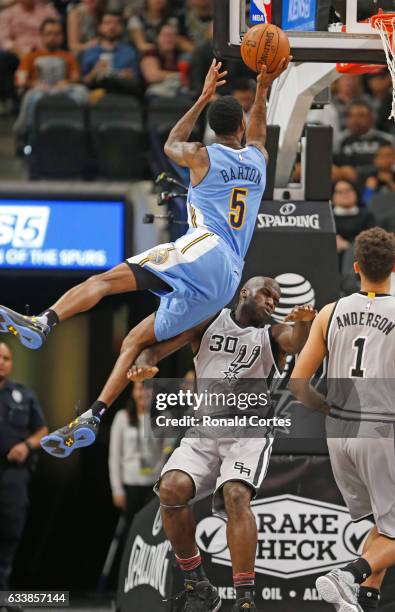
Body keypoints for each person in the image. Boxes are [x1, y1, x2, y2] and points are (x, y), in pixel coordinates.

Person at [1, 57, 291, 458]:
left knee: (102, 282)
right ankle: (93, 415)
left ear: (212, 128)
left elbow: (170, 143)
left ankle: (44, 321)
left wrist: (202, 96)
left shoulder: (202, 155)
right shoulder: (258, 160)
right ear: (240, 128)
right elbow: (259, 130)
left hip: (204, 248)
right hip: (226, 281)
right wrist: (263, 88)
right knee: (136, 341)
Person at [126, 276, 316, 612]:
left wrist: (302, 325)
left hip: (249, 433)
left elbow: (294, 342)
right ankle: (198, 584)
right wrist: (143, 366)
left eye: (277, 299)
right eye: (267, 294)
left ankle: (245, 599)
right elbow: (155, 349)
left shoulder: (271, 334)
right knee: (170, 490)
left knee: (236, 494)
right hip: (204, 429)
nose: (273, 301)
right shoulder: (209, 321)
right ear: (245, 292)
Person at [290, 227, 395, 612]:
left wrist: (325, 408)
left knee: (385, 528)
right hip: (382, 429)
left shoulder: (330, 313)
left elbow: (298, 385)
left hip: (338, 432)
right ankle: (346, 576)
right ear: (394, 267)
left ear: (355, 268)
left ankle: (362, 601)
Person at [0, 342, 48, 597]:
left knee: (10, 529)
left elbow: (43, 431)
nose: (2, 362)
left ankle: (3, 592)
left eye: (6, 358)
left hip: (13, 473)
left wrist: (27, 446)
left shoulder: (23, 394)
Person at [109, 380, 171, 527]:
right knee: (130, 528)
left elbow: (168, 451)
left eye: (148, 389)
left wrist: (163, 478)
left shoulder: (164, 417)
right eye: (139, 389)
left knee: (149, 529)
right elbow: (114, 456)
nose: (143, 393)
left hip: (154, 484)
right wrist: (116, 489)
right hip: (130, 483)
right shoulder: (122, 417)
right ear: (133, 392)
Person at [13, 18, 88, 139]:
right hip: (40, 90)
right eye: (49, 33)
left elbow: (76, 78)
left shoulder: (68, 56)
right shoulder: (31, 56)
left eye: (57, 34)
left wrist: (67, 82)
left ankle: (82, 132)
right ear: (41, 35)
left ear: (62, 36)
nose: (53, 37)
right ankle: (28, 133)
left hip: (63, 89)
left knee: (82, 93)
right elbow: (19, 80)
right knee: (32, 97)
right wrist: (34, 83)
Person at [0, 0, 58, 110]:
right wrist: (20, 53)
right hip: (17, 53)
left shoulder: (48, 11)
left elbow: (56, 31)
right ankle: (9, 98)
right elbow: (4, 40)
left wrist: (42, 51)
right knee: (2, 58)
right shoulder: (8, 13)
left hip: (44, 51)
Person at [80, 11, 141, 95]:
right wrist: (94, 73)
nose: (112, 27)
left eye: (117, 23)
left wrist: (128, 76)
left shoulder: (129, 52)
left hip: (122, 93)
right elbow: (82, 82)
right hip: (95, 94)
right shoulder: (90, 51)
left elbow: (136, 81)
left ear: (122, 28)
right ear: (99, 27)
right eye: (107, 23)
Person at [334, 100, 394, 170]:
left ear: (372, 118)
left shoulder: (386, 140)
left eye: (361, 115)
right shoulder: (339, 140)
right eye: (351, 116)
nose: (355, 120)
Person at [332, 180, 375, 267]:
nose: (345, 194)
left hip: (362, 263)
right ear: (332, 197)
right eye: (339, 192)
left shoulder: (367, 216)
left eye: (348, 190)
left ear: (356, 192)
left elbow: (373, 243)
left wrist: (349, 246)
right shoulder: (327, 217)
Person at [140, 22, 183, 98]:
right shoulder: (150, 53)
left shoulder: (181, 55)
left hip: (179, 93)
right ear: (157, 38)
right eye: (165, 35)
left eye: (172, 35)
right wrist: (178, 75)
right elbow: (152, 76)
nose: (169, 39)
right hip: (155, 95)